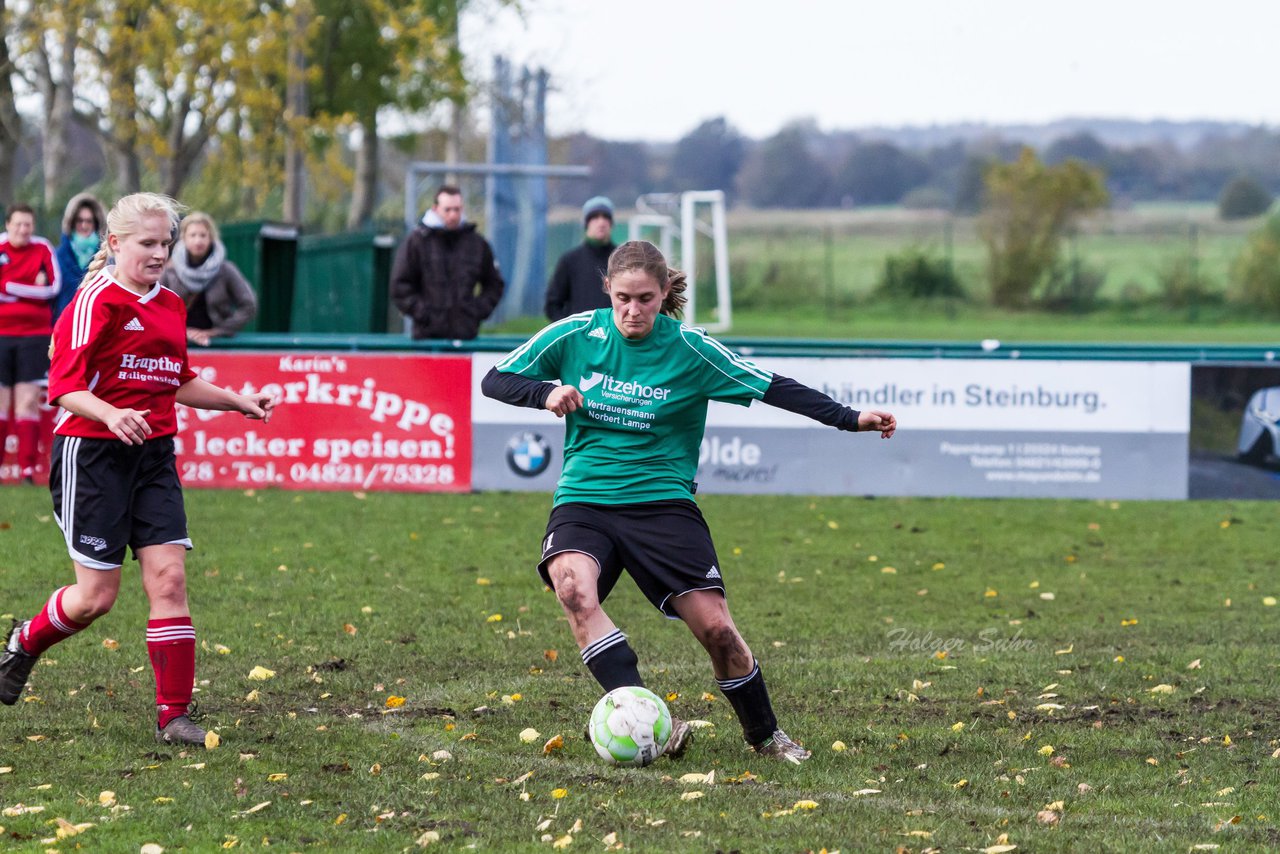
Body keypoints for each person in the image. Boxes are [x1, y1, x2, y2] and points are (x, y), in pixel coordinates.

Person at [481, 240, 897, 763]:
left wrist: (848, 417)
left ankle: (767, 737)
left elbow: (771, 386)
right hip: (585, 498)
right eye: (623, 298)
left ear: (664, 295)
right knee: (573, 591)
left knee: (719, 632)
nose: (633, 311)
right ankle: (646, 717)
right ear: (607, 290)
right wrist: (543, 394)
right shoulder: (575, 333)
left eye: (646, 299)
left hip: (663, 503)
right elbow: (495, 379)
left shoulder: (691, 349)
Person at [0, 193, 278, 746]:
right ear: (115, 243)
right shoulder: (95, 300)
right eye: (146, 243)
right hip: (92, 454)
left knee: (169, 579)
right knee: (95, 598)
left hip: (153, 454)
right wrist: (111, 413)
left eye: (164, 244)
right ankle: (25, 641)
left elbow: (176, 380)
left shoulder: (171, 304)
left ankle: (172, 717)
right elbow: (64, 389)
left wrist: (236, 400)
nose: (157, 254)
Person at [391, 185, 505, 340]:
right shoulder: (417, 242)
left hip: (465, 337)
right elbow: (400, 286)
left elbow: (494, 284)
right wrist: (423, 313)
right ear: (436, 208)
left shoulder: (477, 243)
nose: (453, 215)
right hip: (427, 339)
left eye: (457, 209)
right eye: (448, 209)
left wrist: (475, 312)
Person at [0, 203, 61, 482]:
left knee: (27, 402)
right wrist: (30, 287)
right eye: (18, 224)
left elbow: (53, 288)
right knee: (1, 403)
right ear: (8, 225)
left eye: (28, 225)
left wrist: (9, 287)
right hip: (2, 335)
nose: (23, 230)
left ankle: (27, 470)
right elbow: (37, 290)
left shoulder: (42, 248)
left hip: (35, 336)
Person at [158, 211, 258, 346]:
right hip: (176, 342)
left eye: (203, 235)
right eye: (192, 235)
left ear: (211, 238)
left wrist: (219, 331)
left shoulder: (226, 270)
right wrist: (177, 329)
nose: (198, 241)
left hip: (217, 344)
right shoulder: (170, 270)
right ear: (184, 238)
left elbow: (249, 305)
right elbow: (154, 306)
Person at [544, 196, 616, 321]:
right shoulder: (570, 260)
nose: (601, 222)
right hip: (580, 336)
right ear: (586, 223)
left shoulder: (622, 259)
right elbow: (553, 305)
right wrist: (569, 331)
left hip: (614, 336)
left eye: (606, 217)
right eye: (595, 217)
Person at [52, 193, 107, 325]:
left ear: (96, 223)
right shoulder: (57, 256)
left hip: (96, 324)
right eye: (79, 220)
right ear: (71, 222)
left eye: (89, 221)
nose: (84, 225)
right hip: (64, 324)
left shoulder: (107, 256)